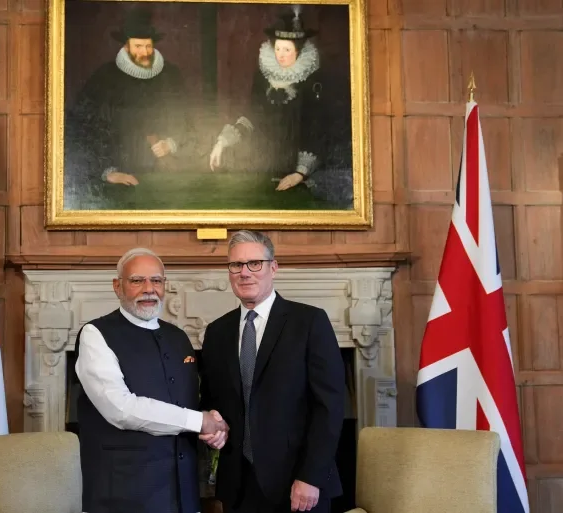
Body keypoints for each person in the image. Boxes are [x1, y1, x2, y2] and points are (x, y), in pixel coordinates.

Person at [199, 230, 345, 513]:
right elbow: (212, 400)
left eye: (255, 263)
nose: (245, 273)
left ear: (273, 268)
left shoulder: (309, 322)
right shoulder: (217, 332)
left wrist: (310, 477)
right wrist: (213, 422)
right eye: (236, 265)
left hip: (298, 485)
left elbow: (330, 407)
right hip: (239, 486)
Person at [74, 247, 228, 513]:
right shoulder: (95, 334)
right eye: (137, 280)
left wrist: (214, 428)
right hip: (124, 493)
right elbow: (120, 408)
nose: (149, 289)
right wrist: (199, 420)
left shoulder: (179, 338)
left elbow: (190, 401)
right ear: (117, 286)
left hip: (183, 490)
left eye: (156, 280)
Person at [207, 7, 353, 208]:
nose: (281, 55)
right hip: (265, 163)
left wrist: (300, 172)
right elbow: (252, 116)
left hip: (300, 165)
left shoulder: (314, 80)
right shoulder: (262, 77)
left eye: (287, 50)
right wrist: (222, 143)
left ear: (298, 51)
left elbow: (317, 128)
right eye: (277, 49)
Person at [64, 6, 191, 203]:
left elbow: (189, 121)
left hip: (164, 177)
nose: (145, 52)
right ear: (126, 47)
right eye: (138, 47)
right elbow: (82, 130)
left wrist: (171, 143)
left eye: (148, 46)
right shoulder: (104, 77)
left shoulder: (171, 76)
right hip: (118, 177)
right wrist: (107, 172)